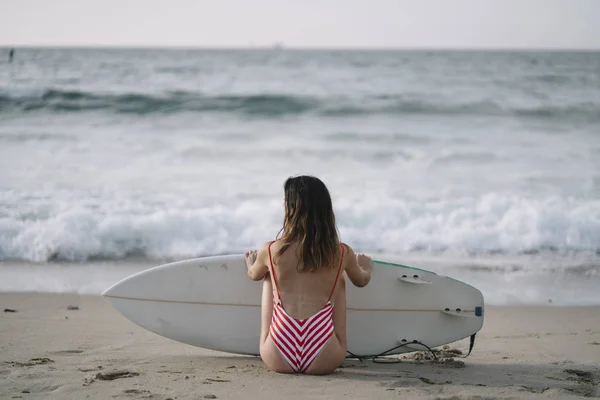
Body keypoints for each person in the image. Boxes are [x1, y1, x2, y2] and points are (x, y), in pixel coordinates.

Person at [245, 175, 373, 375]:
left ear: (290, 209)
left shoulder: (270, 250)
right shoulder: (341, 252)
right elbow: (361, 281)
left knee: (269, 276)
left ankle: (268, 336)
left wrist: (252, 264)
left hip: (277, 353)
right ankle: (333, 340)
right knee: (339, 277)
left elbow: (253, 275)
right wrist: (365, 267)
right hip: (325, 354)